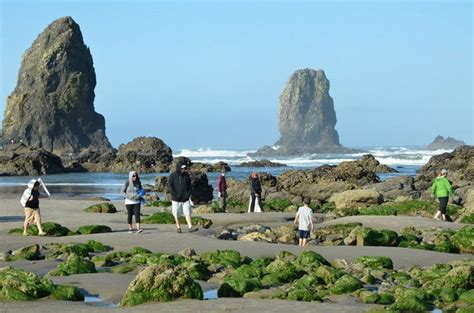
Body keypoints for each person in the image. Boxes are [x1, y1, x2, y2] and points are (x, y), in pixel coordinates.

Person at [167, 162, 198, 233]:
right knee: (176, 213)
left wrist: (188, 194)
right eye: (182, 168)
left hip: (185, 198)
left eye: (184, 168)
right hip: (176, 199)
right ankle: (178, 227)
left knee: (187, 212)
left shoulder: (187, 176)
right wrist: (174, 194)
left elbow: (190, 186)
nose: (184, 169)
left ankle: (190, 227)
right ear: (179, 168)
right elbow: (170, 186)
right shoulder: (172, 176)